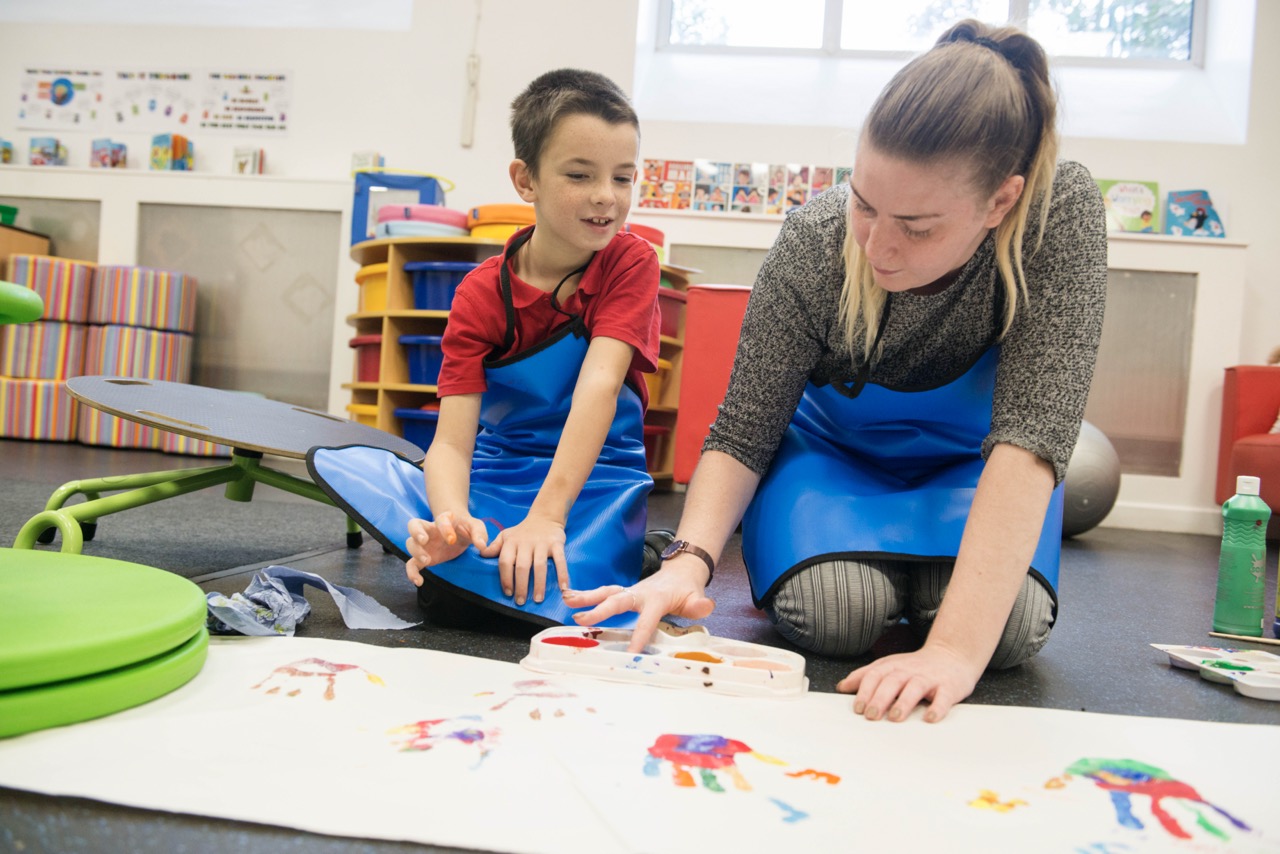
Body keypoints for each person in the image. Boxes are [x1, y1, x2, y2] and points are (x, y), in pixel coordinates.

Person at [567, 20, 1108, 723]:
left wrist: (951, 650)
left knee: (1003, 633)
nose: (879, 247)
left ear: (1000, 202)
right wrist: (686, 562)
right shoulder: (814, 238)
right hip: (833, 461)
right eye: (864, 203)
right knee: (836, 614)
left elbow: (1032, 438)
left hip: (971, 466)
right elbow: (744, 427)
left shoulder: (1056, 213)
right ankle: (900, 586)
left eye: (916, 226)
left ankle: (930, 596)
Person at [309, 68, 661, 627]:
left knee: (555, 590)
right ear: (526, 181)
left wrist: (547, 517)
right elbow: (450, 444)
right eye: (579, 174)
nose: (606, 198)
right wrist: (451, 520)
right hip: (502, 471)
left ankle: (622, 547)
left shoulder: (630, 262)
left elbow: (597, 389)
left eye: (623, 178)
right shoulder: (480, 294)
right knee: (448, 556)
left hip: (595, 476)